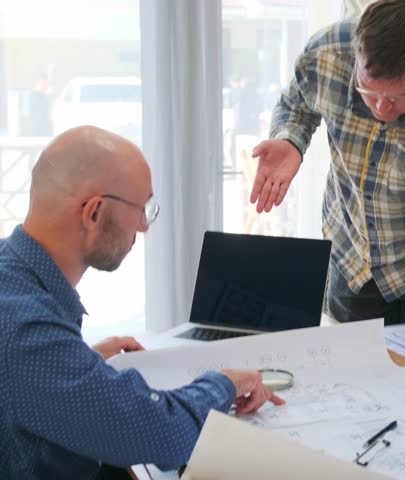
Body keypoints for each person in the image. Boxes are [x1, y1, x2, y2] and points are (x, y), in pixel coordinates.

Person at [0, 126, 284, 480]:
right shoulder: (26, 334)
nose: (144, 226)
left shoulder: (13, 274)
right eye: (142, 208)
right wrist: (224, 382)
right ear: (94, 212)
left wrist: (78, 359)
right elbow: (164, 434)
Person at [250, 0, 405, 363]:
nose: (380, 108)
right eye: (368, 91)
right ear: (357, 59)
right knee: (350, 382)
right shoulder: (328, 52)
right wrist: (290, 139)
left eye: (395, 98)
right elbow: (296, 104)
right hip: (353, 254)